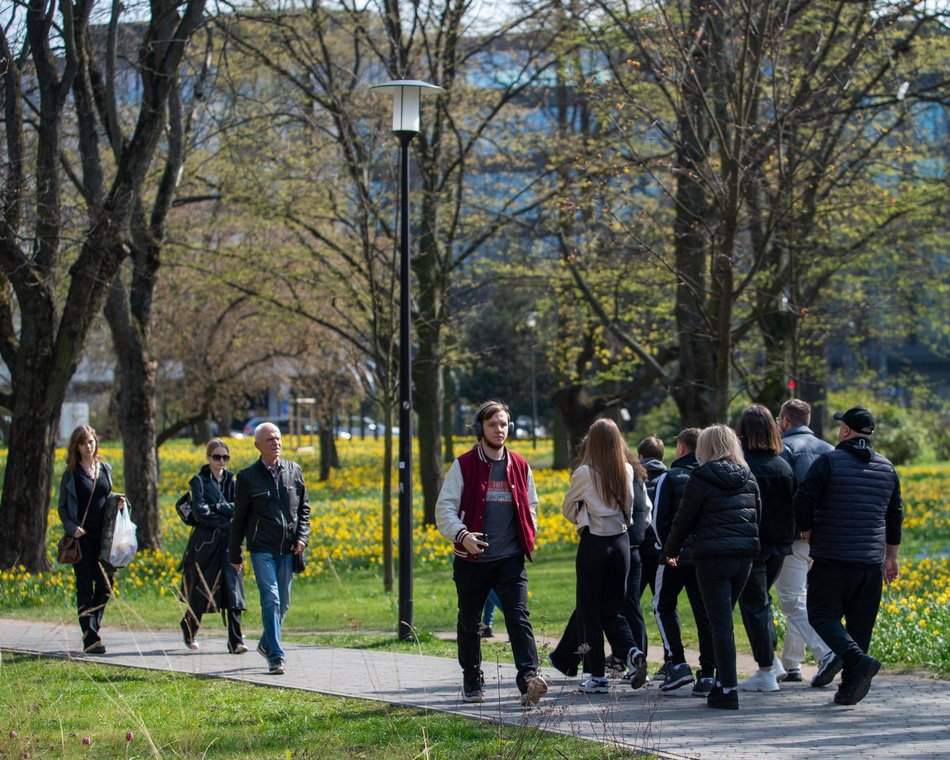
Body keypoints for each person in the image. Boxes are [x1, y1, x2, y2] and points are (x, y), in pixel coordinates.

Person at [435, 400, 548, 706]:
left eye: (503, 424)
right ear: (480, 428)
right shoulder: (464, 465)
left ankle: (528, 679)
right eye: (493, 424)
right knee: (470, 622)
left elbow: (531, 507)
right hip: (472, 560)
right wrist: (463, 535)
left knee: (518, 616)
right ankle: (472, 676)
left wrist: (529, 530)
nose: (499, 430)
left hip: (509, 559)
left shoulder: (520, 466)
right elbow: (444, 509)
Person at [794, 405, 902, 706]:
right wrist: (891, 557)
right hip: (870, 562)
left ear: (845, 431)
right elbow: (895, 516)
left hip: (832, 557)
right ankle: (849, 690)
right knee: (860, 625)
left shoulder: (829, 462)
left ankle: (857, 659)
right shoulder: (887, 467)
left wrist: (806, 529)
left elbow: (802, 499)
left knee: (820, 614)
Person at [664, 425, 761, 710]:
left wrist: (671, 551)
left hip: (712, 556)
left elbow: (684, 519)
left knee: (720, 623)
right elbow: (758, 514)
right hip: (744, 556)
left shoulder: (701, 477)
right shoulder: (749, 476)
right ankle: (721, 683)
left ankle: (728, 688)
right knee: (724, 620)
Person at [549, 419, 649, 693]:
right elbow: (630, 508)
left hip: (595, 542)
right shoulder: (627, 469)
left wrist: (584, 516)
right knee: (614, 609)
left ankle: (596, 676)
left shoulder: (584, 472)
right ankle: (631, 651)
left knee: (590, 610)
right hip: (621, 543)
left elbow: (567, 509)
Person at [230, 422, 310, 675]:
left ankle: (265, 643)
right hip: (262, 548)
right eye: (269, 440)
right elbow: (239, 518)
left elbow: (303, 510)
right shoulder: (246, 477)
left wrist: (302, 537)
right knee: (271, 599)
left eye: (277, 438)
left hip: (288, 549)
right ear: (257, 446)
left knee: (283, 603)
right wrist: (236, 552)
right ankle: (276, 656)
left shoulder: (294, 471)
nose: (275, 443)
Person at [775, 398, 837, 686]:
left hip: (796, 536)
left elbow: (784, 494)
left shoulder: (785, 449)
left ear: (786, 421)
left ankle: (826, 652)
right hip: (825, 538)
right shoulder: (830, 450)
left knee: (790, 600)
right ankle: (792, 663)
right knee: (799, 598)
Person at [735, 404, 796, 692]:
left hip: (751, 544)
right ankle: (772, 659)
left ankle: (766, 668)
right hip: (780, 544)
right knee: (763, 602)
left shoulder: (742, 465)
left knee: (754, 604)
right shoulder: (783, 465)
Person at [652, 428, 716, 695]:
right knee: (704, 613)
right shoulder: (708, 477)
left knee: (663, 604)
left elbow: (658, 520)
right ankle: (709, 672)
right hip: (703, 556)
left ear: (681, 449)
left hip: (675, 556)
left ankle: (677, 662)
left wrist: (667, 550)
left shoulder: (670, 477)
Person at [57, 425, 127, 654]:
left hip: (104, 538)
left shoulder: (104, 468)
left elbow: (106, 497)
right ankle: (90, 638)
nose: (89, 446)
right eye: (84, 442)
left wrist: (117, 502)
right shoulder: (71, 474)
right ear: (76, 446)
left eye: (92, 441)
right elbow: (63, 509)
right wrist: (72, 528)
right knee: (85, 587)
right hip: (82, 538)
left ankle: (92, 627)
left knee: (106, 586)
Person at [180, 439, 247, 653]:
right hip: (206, 544)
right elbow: (200, 512)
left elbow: (240, 507)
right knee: (202, 589)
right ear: (208, 458)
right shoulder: (198, 481)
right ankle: (189, 627)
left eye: (225, 457)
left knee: (233, 589)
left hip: (229, 542)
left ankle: (235, 640)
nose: (221, 461)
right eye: (217, 457)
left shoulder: (233, 480)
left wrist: (217, 507)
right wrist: (224, 517)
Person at [630, 436, 666, 658]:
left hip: (639, 549)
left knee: (632, 603)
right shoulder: (668, 478)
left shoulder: (635, 479)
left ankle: (637, 652)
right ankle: (670, 658)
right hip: (661, 550)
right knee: (664, 606)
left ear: (640, 456)